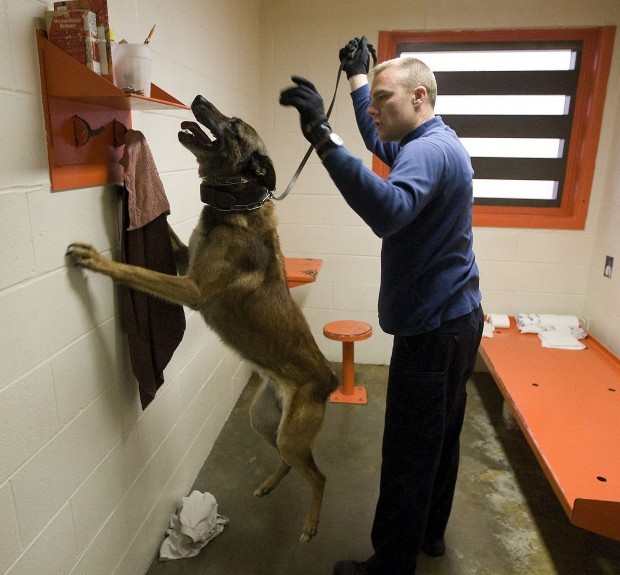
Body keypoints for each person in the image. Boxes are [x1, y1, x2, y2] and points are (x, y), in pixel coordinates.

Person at [279, 36, 484, 575]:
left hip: (434, 329)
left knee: (409, 451)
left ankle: (390, 566)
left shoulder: (428, 153)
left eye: (382, 98)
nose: (374, 110)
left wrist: (323, 138)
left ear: (419, 96)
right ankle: (429, 534)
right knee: (440, 437)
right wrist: (358, 76)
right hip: (458, 319)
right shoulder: (429, 139)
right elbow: (376, 136)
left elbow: (389, 211)